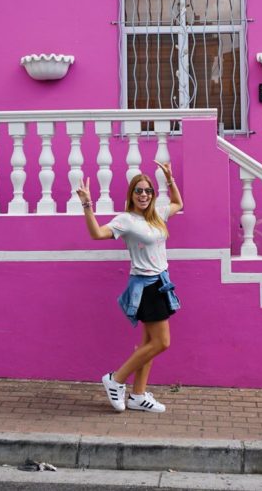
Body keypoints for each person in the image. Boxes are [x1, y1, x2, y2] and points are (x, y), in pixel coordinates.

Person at [76, 160, 182, 414]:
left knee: (148, 344)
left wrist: (169, 179)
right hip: (145, 286)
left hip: (161, 283)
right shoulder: (126, 219)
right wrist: (87, 204)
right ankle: (116, 379)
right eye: (138, 191)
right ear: (131, 195)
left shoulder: (157, 215)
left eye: (147, 191)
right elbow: (97, 234)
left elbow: (179, 204)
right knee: (162, 342)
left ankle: (137, 395)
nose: (143, 195)